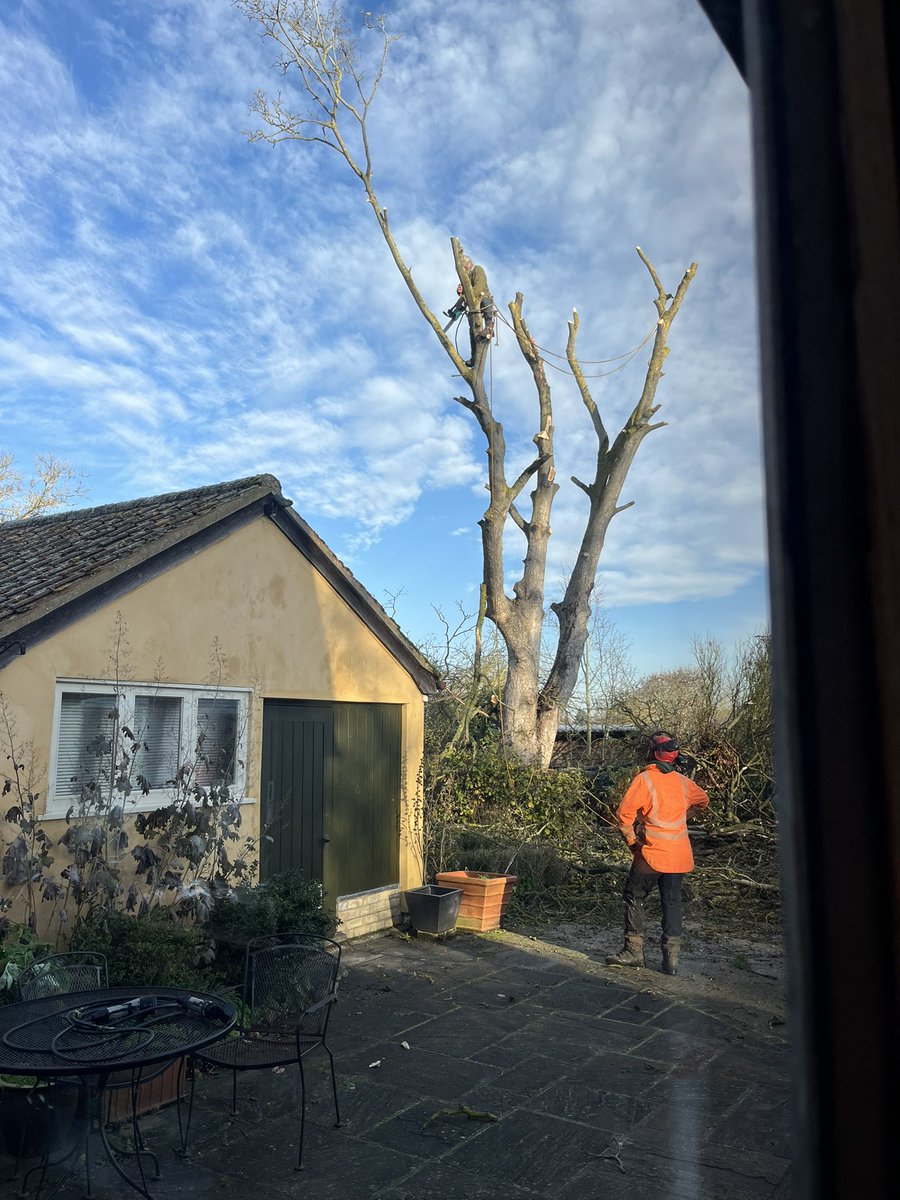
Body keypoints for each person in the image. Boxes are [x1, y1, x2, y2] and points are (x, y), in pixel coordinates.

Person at [606, 731, 709, 976]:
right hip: (678, 855)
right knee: (672, 902)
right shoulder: (684, 783)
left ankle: (633, 952)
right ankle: (671, 960)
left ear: (652, 753)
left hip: (651, 854)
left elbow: (623, 816)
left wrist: (632, 842)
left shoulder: (645, 780)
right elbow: (703, 800)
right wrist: (683, 816)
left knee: (634, 895)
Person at [457, 252, 494, 361]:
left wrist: (465, 297)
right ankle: (474, 356)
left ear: (468, 264)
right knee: (473, 330)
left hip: (483, 298)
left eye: (464, 267)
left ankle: (489, 328)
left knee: (487, 306)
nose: (464, 271)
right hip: (472, 304)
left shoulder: (478, 269)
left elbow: (479, 287)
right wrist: (461, 293)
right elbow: (465, 292)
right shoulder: (466, 278)